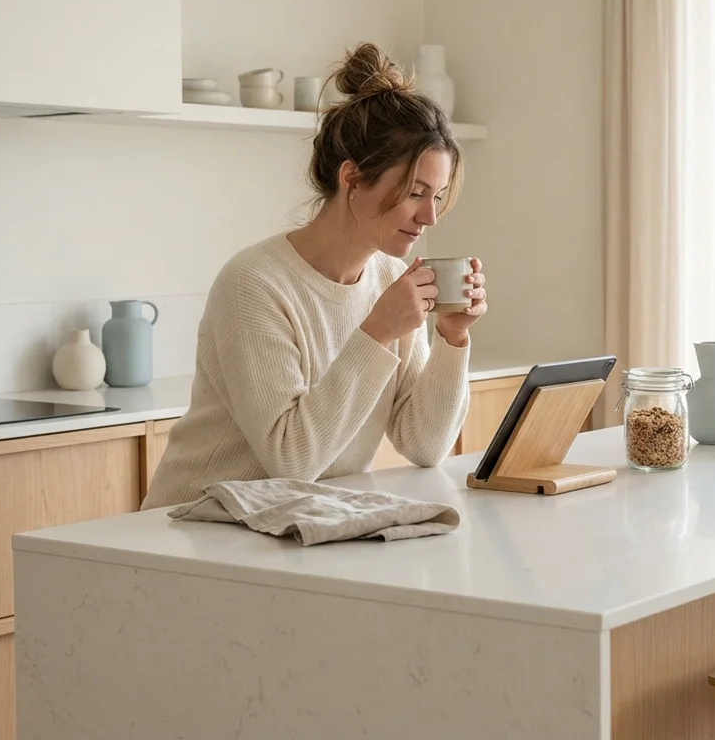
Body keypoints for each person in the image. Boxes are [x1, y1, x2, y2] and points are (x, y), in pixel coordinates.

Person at [141, 42, 486, 509]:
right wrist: (378, 332)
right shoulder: (254, 284)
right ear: (352, 178)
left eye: (437, 196)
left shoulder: (390, 276)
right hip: (195, 529)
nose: (430, 217)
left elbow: (424, 445)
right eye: (414, 192)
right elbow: (292, 459)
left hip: (298, 525)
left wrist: (452, 339)